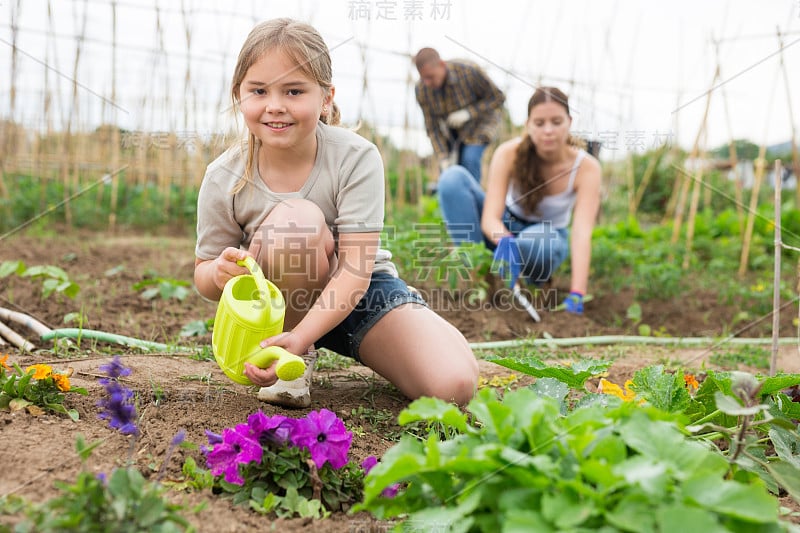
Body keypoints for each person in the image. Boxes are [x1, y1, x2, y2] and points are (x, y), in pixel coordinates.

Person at [193, 18, 478, 408]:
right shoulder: (224, 175)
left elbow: (355, 272)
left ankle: (411, 319)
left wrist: (307, 330)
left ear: (326, 97)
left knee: (455, 386)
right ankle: (296, 359)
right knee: (296, 224)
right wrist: (218, 272)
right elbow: (203, 273)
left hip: (359, 292)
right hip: (281, 306)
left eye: (294, 91)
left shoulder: (355, 157)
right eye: (259, 90)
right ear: (239, 95)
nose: (275, 105)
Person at [437, 87, 602, 314]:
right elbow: (490, 218)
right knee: (452, 179)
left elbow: (582, 233)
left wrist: (578, 293)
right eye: (539, 123)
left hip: (547, 237)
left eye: (556, 122)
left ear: (569, 122)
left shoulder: (586, 168)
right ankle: (480, 281)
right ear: (528, 125)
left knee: (534, 242)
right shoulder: (508, 154)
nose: (548, 131)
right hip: (505, 226)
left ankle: (533, 283)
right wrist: (504, 240)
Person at [414, 48, 505, 185]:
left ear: (442, 65)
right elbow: (432, 128)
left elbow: (498, 97)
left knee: (469, 158)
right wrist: (443, 157)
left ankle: (473, 201)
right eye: (423, 78)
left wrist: (469, 112)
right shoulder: (422, 90)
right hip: (454, 132)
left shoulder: (468, 71)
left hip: (481, 123)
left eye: (430, 77)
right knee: (449, 171)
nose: (427, 83)